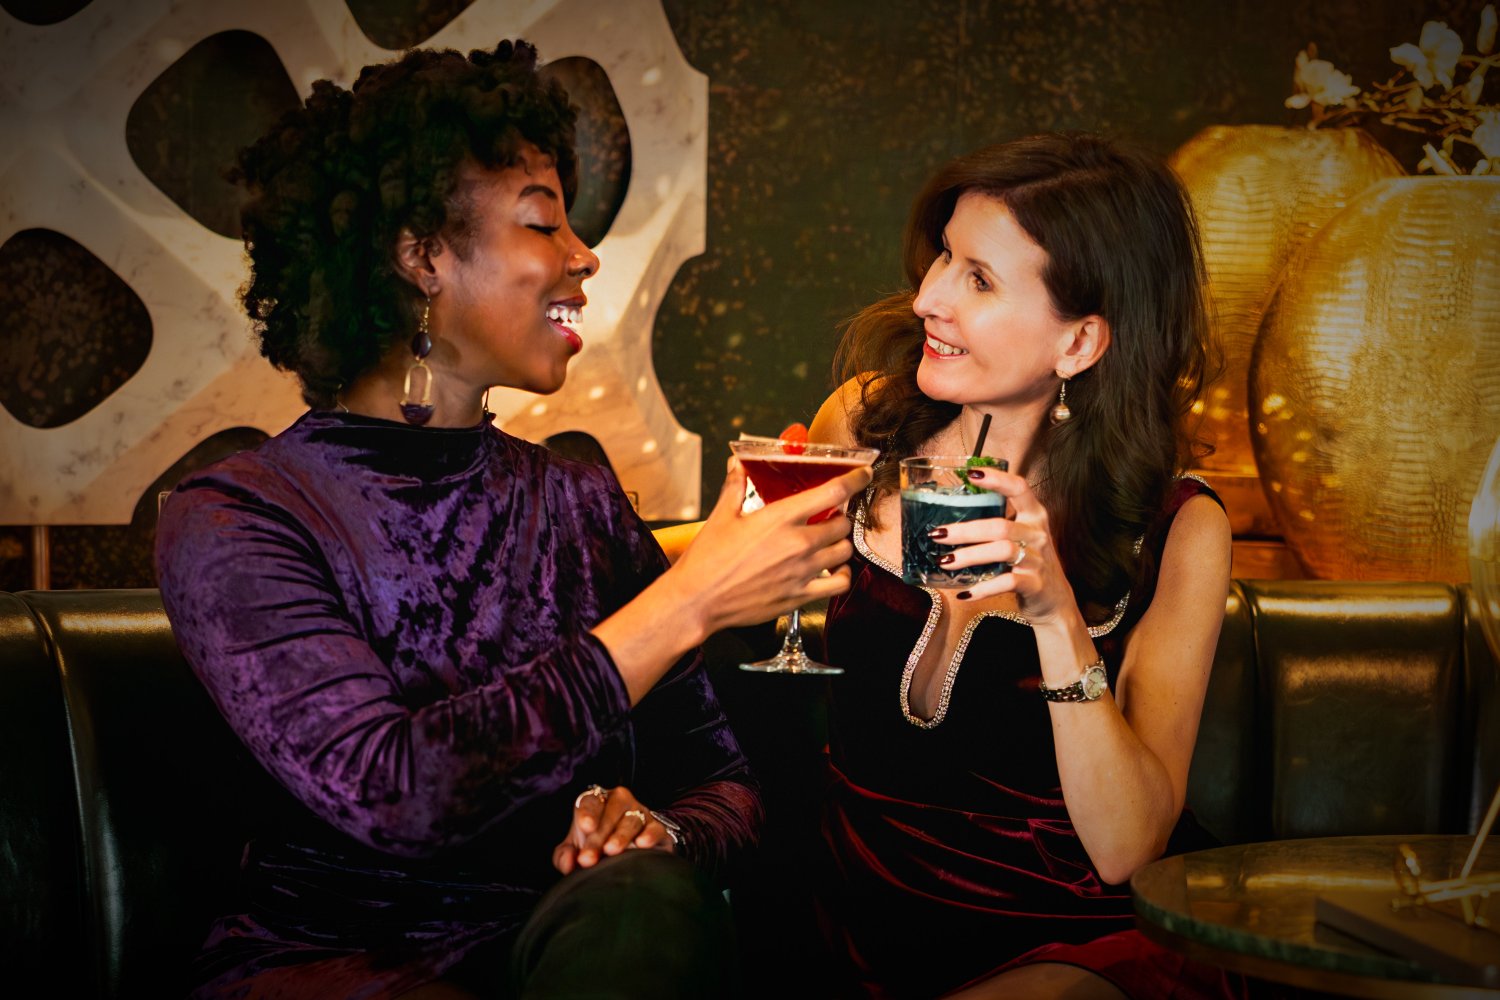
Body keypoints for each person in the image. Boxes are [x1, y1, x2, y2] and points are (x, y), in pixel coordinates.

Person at [154, 40, 868, 999]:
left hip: (578, 954)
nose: (583, 255)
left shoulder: (575, 500)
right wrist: (690, 600)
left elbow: (724, 785)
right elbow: (392, 792)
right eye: (542, 223)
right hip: (333, 966)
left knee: (644, 907)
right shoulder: (236, 517)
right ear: (422, 256)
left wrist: (658, 831)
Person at [804, 132, 1242, 999]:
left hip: (1068, 945)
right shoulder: (861, 425)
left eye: (979, 280)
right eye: (944, 257)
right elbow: (752, 573)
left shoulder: (1178, 529)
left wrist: (1056, 618)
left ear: (1079, 342)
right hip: (853, 921)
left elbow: (1126, 849)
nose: (928, 298)